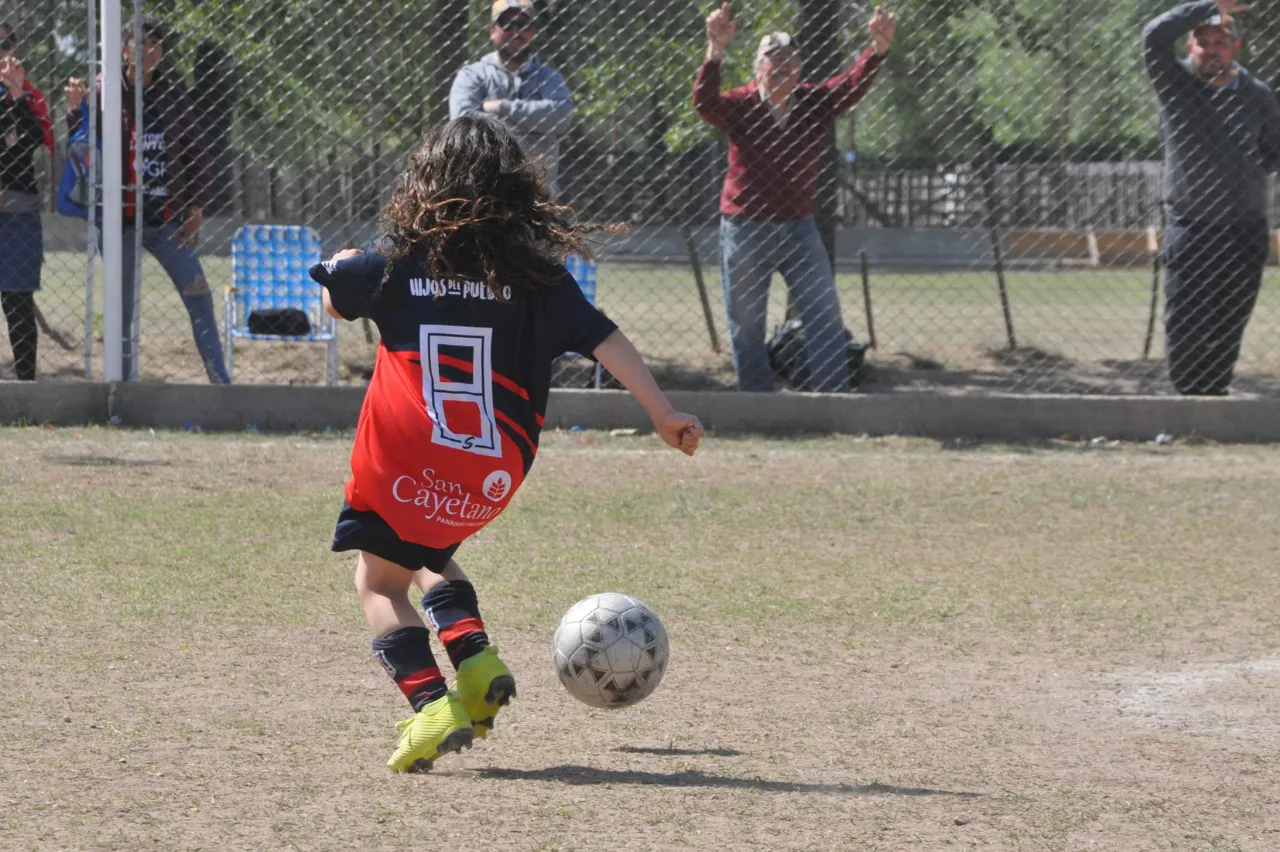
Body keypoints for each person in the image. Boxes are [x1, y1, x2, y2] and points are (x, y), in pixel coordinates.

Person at [309, 115, 703, 772]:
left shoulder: (395, 268)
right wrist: (662, 413)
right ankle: (474, 658)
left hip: (407, 458)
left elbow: (335, 298)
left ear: (424, 187)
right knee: (429, 550)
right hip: (491, 468)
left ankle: (431, 703)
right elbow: (606, 339)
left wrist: (349, 264)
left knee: (378, 582)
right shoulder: (537, 279)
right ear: (516, 196)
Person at [693, 3, 895, 393]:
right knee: (746, 322)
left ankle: (831, 398)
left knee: (823, 315)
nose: (784, 65)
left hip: (799, 229)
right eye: (774, 58)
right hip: (746, 228)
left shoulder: (812, 103)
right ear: (758, 68)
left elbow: (851, 84)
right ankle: (757, 403)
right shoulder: (741, 104)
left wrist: (878, 49)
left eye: (792, 59)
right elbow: (704, 103)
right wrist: (714, 51)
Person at [66, 15, 230, 383]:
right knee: (121, 309)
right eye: (139, 43)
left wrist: (197, 209)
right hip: (117, 220)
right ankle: (122, 387)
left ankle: (221, 383)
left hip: (167, 220)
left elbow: (198, 155)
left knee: (199, 295)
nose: (148, 51)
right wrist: (75, 109)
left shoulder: (174, 96)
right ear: (123, 49)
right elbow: (81, 145)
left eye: (155, 44)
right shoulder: (105, 89)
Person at [1143, 1, 1280, 396]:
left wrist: (1248, 170)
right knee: (1186, 321)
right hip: (1191, 223)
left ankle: (1217, 394)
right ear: (1190, 48)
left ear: (1235, 48)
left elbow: (1275, 148)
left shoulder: (1257, 94)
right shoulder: (1176, 86)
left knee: (1229, 318)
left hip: (1245, 226)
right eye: (1202, 42)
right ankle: (1189, 398)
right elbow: (1153, 36)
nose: (1211, 49)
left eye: (1220, 42)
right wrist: (1208, 6)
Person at [449, 0, 573, 198]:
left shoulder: (550, 78)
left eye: (522, 24)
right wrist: (534, 120)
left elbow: (561, 118)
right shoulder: (472, 75)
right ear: (492, 31)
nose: (515, 31)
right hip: (481, 194)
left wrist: (500, 107)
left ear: (532, 32)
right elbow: (462, 122)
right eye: (507, 24)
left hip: (538, 194)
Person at [0, 22, 53, 381]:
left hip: (17, 209)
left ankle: (25, 385)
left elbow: (31, 143)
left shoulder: (30, 96)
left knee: (17, 300)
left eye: (6, 45)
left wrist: (16, 96)